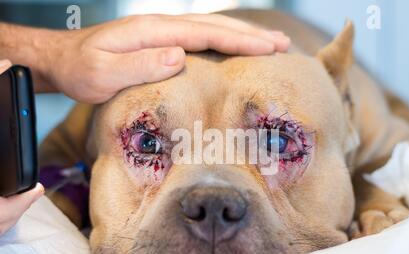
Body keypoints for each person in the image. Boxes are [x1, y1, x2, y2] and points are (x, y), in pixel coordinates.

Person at [0, 13, 290, 236]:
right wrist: (48, 54)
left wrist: (48, 54)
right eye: (148, 144)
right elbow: (61, 149)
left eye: (275, 144)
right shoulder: (94, 111)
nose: (211, 208)